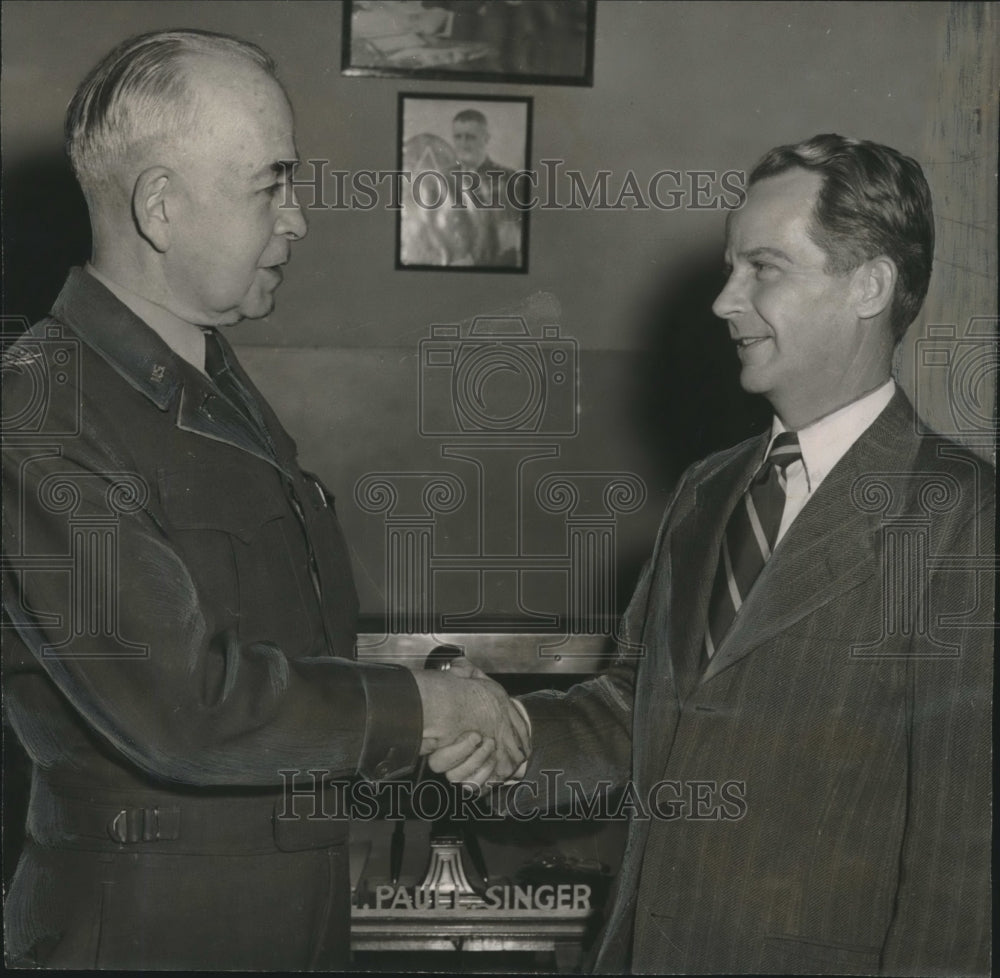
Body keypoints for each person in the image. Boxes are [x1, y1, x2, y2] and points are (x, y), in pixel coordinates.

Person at [1, 29, 527, 970]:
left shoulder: (204, 376)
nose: (299, 220)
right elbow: (184, 706)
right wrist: (425, 708)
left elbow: (279, 646)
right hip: (151, 934)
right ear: (161, 207)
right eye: (271, 185)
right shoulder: (40, 409)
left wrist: (434, 685)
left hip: (285, 914)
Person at [431, 135, 993, 975]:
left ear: (868, 285)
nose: (725, 301)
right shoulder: (707, 490)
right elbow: (635, 714)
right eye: (732, 267)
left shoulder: (960, 517)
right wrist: (508, 733)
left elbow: (963, 858)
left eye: (763, 267)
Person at [450, 108, 525, 267]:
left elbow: (510, 241)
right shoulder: (442, 179)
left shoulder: (511, 180)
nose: (463, 144)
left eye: (470, 137)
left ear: (486, 139)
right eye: (458, 137)